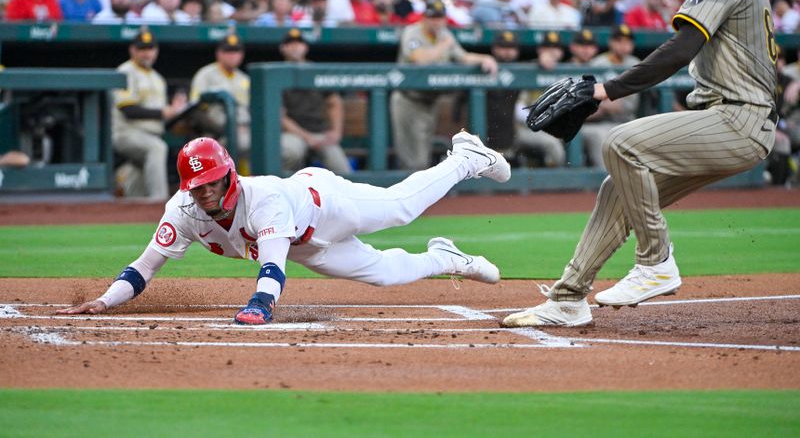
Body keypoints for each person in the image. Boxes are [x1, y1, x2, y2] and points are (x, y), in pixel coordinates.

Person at [503, 0, 777, 327]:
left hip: (738, 119)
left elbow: (682, 48)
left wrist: (605, 89)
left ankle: (656, 262)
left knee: (621, 142)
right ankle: (568, 298)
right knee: (617, 193)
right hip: (737, 121)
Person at [57, 133, 509, 324]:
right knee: (386, 274)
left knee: (400, 209)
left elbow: (272, 267)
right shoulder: (183, 210)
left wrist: (259, 307)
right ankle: (447, 258)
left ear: (228, 174)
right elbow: (144, 267)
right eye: (197, 185)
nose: (206, 192)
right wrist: (103, 301)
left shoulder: (264, 200)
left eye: (212, 182)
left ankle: (465, 157)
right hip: (307, 247)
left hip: (324, 206)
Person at [391, 0, 498, 170]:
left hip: (430, 102)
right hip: (408, 101)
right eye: (433, 17)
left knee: (422, 160)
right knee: (412, 161)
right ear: (424, 17)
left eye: (440, 18)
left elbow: (462, 57)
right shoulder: (412, 32)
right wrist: (443, 45)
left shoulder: (444, 35)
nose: (437, 22)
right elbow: (420, 60)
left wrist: (485, 58)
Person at [113, 30, 187, 201]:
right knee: (157, 148)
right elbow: (128, 109)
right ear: (132, 50)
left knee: (136, 190)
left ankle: (137, 211)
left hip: (152, 134)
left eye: (150, 48)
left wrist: (175, 111)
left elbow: (161, 114)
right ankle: (159, 200)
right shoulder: (125, 71)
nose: (147, 53)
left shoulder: (157, 78)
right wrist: (163, 112)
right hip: (127, 133)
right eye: (142, 49)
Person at [279, 28, 352, 175]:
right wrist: (306, 137)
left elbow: (335, 102)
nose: (295, 47)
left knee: (343, 170)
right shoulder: (278, 73)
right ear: (283, 48)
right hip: (293, 134)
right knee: (291, 152)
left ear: (305, 47)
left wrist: (336, 132)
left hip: (320, 133)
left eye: (298, 43)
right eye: (290, 43)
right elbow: (281, 116)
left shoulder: (316, 71)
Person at [583, 24, 641, 169]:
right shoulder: (597, 64)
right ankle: (606, 180)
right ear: (611, 42)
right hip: (600, 122)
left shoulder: (635, 64)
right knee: (601, 137)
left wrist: (607, 104)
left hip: (627, 121)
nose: (623, 45)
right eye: (619, 41)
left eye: (628, 42)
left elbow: (628, 106)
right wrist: (605, 106)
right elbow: (590, 103)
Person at [189, 33, 251, 159]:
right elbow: (196, 111)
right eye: (228, 51)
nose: (232, 55)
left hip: (245, 128)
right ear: (219, 53)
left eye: (236, 51)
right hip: (216, 133)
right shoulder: (206, 75)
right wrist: (228, 130)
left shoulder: (245, 79)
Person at [515, 31, 567, 168]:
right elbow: (517, 108)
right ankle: (558, 182)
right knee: (552, 143)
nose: (551, 52)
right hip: (525, 127)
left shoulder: (567, 70)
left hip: (554, 126)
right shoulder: (528, 69)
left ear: (561, 52)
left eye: (556, 48)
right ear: (539, 50)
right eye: (547, 47)